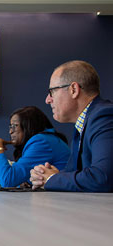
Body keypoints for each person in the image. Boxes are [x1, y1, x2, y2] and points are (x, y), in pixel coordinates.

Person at [30, 60, 113, 192]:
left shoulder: (104, 117)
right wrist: (45, 176)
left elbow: (103, 177)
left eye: (52, 91)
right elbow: (74, 171)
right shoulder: (82, 124)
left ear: (73, 90)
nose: (48, 100)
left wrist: (51, 179)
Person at [0, 106, 70, 187]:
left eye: (14, 126)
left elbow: (7, 179)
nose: (10, 131)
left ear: (29, 126)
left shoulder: (41, 141)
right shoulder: (48, 139)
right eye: (10, 127)